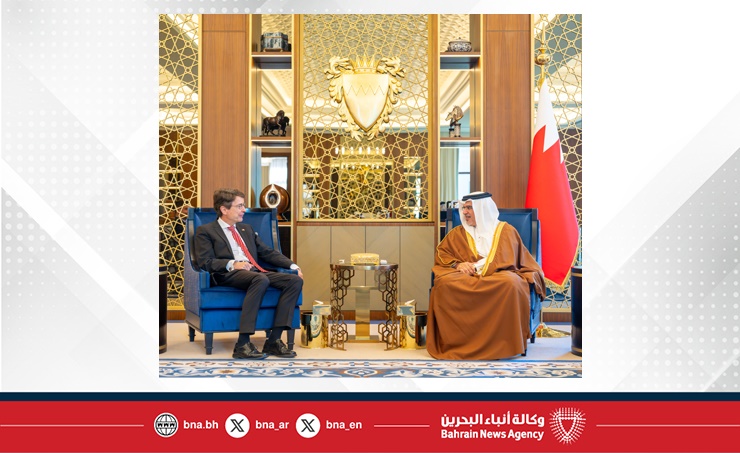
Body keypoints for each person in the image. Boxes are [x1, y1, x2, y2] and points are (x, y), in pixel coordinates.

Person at [427, 192, 546, 360]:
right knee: (445, 283)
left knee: (510, 283)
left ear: (482, 209)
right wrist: (458, 265)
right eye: (464, 208)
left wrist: (481, 267)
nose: (465, 212)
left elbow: (510, 259)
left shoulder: (506, 231)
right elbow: (442, 254)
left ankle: (503, 344)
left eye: (469, 208)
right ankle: (456, 342)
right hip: (465, 275)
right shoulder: (457, 233)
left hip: (498, 274)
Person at [194, 188, 304, 360]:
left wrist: (292, 265)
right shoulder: (206, 231)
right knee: (260, 279)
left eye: (243, 206)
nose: (244, 210)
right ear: (224, 209)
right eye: (239, 206)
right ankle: (243, 344)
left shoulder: (246, 229)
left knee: (294, 281)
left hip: (254, 272)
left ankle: (274, 341)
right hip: (227, 274)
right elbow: (205, 262)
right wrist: (233, 264)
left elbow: (267, 252)